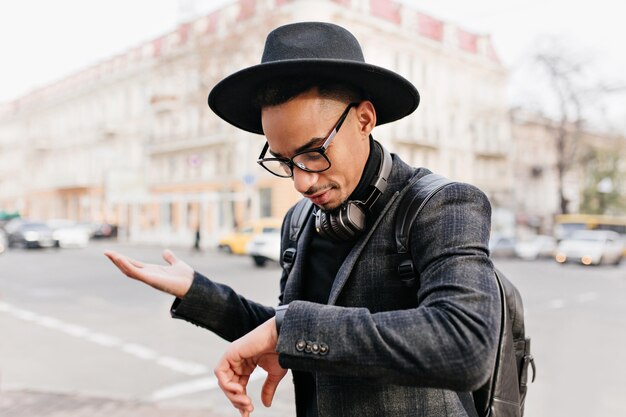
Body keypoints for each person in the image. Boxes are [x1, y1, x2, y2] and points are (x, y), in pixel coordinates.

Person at [105, 22, 500, 417]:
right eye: (283, 160)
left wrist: (289, 329)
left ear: (364, 120)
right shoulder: (298, 222)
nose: (301, 181)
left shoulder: (442, 204)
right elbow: (287, 333)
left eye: (314, 152)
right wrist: (200, 292)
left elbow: (466, 345)